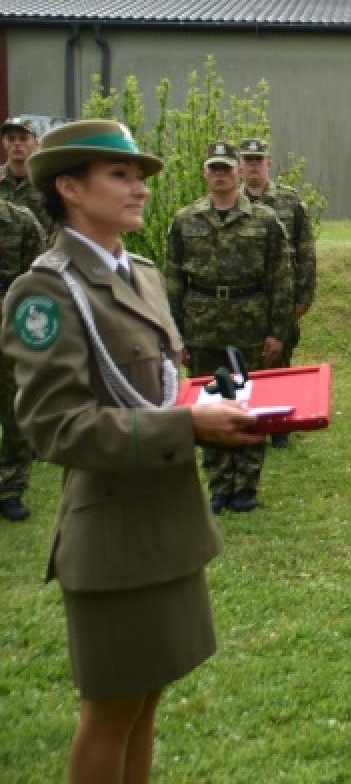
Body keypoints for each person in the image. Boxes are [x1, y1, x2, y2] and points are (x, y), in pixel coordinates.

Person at [2, 119, 261, 784]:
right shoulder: (47, 290)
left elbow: (160, 388)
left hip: (165, 523)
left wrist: (213, 405)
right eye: (120, 175)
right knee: (110, 713)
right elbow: (54, 427)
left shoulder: (139, 274)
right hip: (113, 537)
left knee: (146, 703)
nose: (139, 188)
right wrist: (188, 430)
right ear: (70, 187)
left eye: (140, 176)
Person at [164, 141, 294, 513]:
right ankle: (220, 483)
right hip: (202, 326)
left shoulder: (266, 220)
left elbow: (280, 279)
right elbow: (173, 279)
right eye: (213, 168)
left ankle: (247, 486)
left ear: (238, 171)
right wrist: (176, 334)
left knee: (251, 404)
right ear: (205, 173)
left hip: (249, 323)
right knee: (209, 405)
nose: (220, 174)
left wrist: (276, 332)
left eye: (226, 168)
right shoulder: (185, 220)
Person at [239, 136, 316, 449]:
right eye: (248, 161)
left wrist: (303, 296)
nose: (254, 166)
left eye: (259, 160)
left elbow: (306, 249)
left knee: (280, 360)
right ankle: (249, 421)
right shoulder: (232, 201)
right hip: (244, 299)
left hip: (281, 296)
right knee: (245, 361)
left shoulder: (288, 200)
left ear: (269, 164)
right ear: (240, 167)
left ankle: (280, 428)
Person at [0, 194, 45, 521]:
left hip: (9, 326)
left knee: (14, 406)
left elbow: (37, 279)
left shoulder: (21, 220)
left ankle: (11, 487)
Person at [1, 116, 53, 240]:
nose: (17, 143)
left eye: (23, 139)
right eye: (11, 139)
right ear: (4, 143)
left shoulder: (46, 182)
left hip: (38, 254)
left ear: (36, 142)